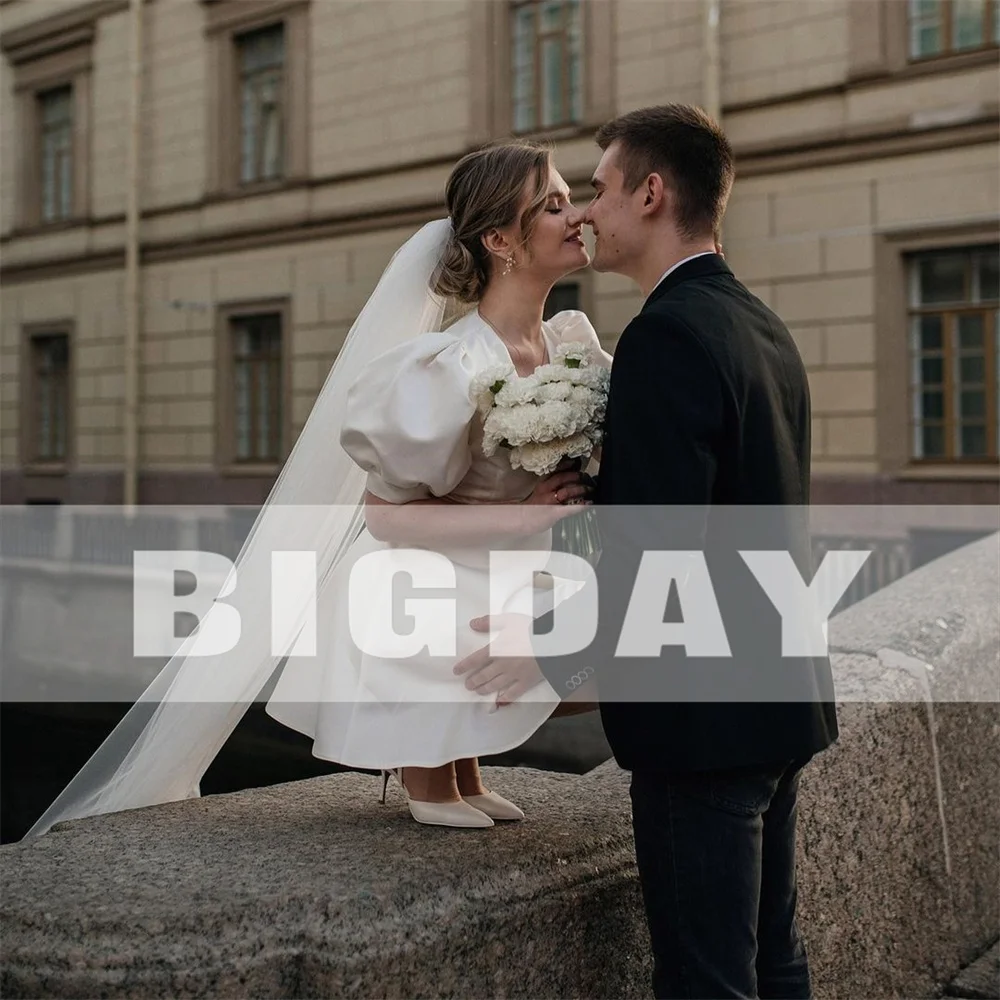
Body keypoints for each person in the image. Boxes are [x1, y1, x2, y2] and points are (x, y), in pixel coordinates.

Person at [25, 141, 609, 838]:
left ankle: (464, 768)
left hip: (518, 571)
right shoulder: (449, 367)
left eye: (572, 200)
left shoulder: (567, 343)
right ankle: (430, 769)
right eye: (553, 205)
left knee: (597, 667)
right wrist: (521, 521)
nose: (577, 216)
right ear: (500, 240)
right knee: (468, 631)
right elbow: (386, 518)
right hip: (432, 575)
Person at [455, 105, 839, 997]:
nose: (586, 212)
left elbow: (659, 546)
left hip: (701, 720)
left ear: (653, 193)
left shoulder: (667, 336)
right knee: (773, 961)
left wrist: (544, 647)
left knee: (706, 980)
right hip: (778, 692)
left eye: (598, 189)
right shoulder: (759, 323)